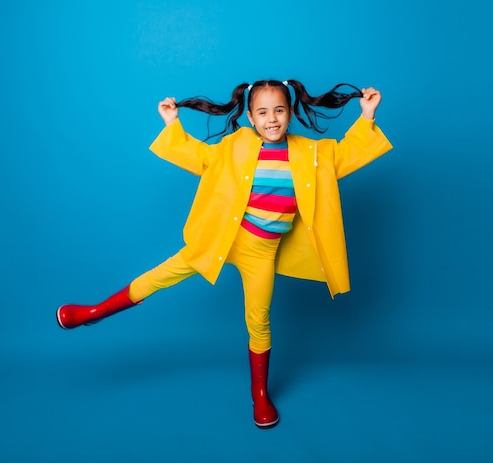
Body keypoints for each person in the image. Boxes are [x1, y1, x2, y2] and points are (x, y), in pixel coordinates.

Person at [56, 79, 393, 429]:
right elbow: (202, 158)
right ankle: (93, 312)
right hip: (223, 238)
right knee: (160, 275)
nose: (272, 119)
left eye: (279, 110)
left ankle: (259, 394)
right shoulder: (237, 145)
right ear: (250, 117)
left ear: (290, 113)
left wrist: (367, 117)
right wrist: (173, 124)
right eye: (262, 112)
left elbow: (344, 155)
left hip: (262, 252)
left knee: (259, 321)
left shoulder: (311, 153)